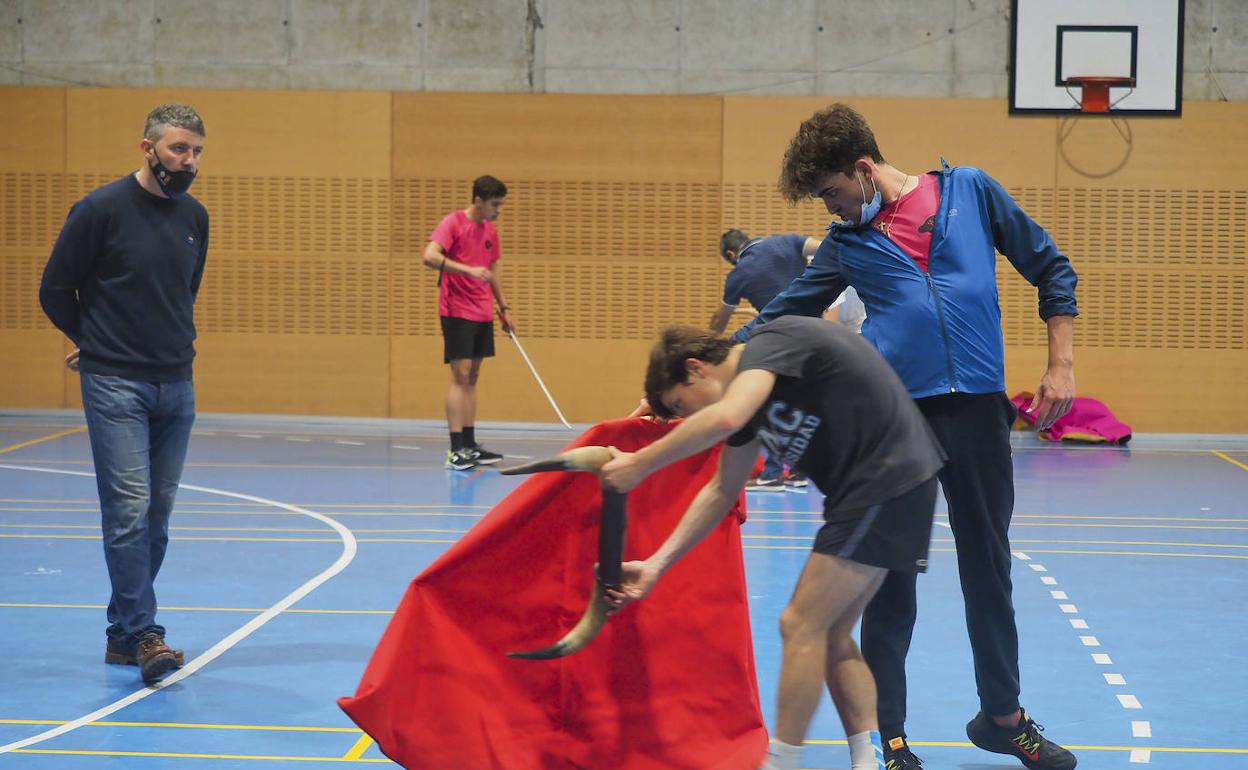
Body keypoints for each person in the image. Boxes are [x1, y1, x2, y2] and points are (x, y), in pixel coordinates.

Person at [731, 103, 1078, 770]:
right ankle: (891, 739)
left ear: (863, 170)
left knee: (989, 566)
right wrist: (710, 360)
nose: (829, 210)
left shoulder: (969, 191)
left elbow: (1051, 268)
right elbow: (783, 313)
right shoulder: (845, 245)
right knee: (889, 584)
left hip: (979, 413)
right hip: (897, 423)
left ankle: (1003, 718)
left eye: (832, 193)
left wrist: (1060, 361)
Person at [601, 318, 946, 770]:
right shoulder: (752, 403)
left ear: (697, 368)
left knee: (799, 623)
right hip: (879, 490)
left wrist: (640, 465)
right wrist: (655, 565)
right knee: (831, 631)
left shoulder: (768, 347)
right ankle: (867, 758)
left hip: (888, 478)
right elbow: (720, 491)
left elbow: (725, 416)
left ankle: (780, 762)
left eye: (680, 404)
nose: (686, 418)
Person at [38, 103, 209, 684]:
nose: (187, 162)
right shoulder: (100, 210)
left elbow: (184, 291)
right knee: (129, 514)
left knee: (156, 519)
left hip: (177, 384)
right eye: (178, 149)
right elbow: (55, 288)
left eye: (195, 152)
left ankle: (120, 636)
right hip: (115, 385)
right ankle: (145, 635)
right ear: (147, 148)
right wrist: (95, 341)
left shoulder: (195, 217)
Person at [711, 229, 819, 491]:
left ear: (731, 254)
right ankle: (794, 471)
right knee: (794, 398)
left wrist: (708, 350)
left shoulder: (738, 274)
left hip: (778, 331)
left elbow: (719, 321)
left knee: (725, 354)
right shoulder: (788, 241)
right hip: (814, 331)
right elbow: (826, 248)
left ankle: (771, 472)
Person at [421, 175, 515, 471]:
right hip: (456, 309)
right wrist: (468, 271)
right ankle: (455, 449)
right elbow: (430, 256)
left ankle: (470, 445)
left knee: (472, 377)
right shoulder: (453, 223)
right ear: (478, 201)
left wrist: (504, 308)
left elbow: (492, 269)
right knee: (460, 376)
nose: (498, 210)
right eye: (494, 204)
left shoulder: (490, 229)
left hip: (482, 311)